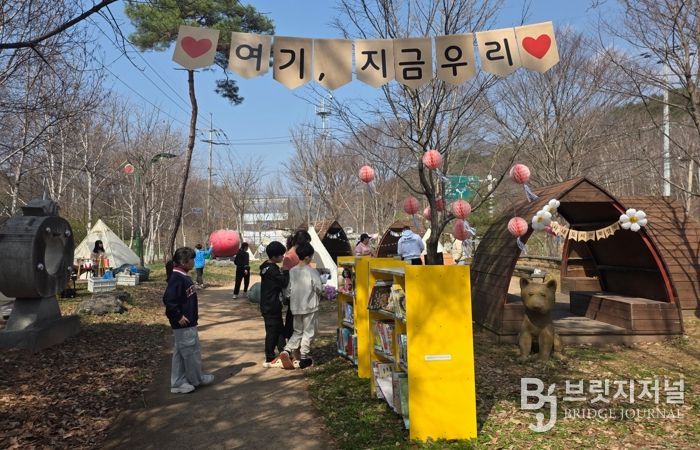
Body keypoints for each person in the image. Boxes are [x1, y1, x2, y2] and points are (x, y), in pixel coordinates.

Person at [163, 247, 214, 394]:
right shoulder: (177, 278)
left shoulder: (182, 276)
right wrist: (178, 316)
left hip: (188, 322)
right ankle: (195, 379)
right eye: (192, 259)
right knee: (191, 353)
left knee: (181, 353)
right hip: (183, 323)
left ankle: (178, 382)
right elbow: (168, 300)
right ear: (184, 262)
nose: (194, 262)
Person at [279, 242, 323, 370]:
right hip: (310, 306)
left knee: (298, 331)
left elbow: (288, 290)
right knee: (309, 332)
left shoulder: (292, 271)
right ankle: (304, 357)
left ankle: (287, 350)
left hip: (296, 306)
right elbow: (319, 287)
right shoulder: (311, 271)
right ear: (308, 257)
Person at [259, 241, 289, 368]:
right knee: (272, 331)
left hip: (269, 304)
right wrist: (286, 272)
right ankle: (269, 356)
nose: (283, 257)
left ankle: (283, 351)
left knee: (279, 328)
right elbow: (283, 282)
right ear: (274, 256)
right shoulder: (272, 270)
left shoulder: (266, 267)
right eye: (281, 255)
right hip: (271, 305)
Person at [282, 229, 312, 340]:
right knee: (293, 322)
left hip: (302, 293)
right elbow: (287, 277)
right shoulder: (290, 256)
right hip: (295, 294)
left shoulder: (299, 253)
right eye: (307, 242)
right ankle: (291, 344)